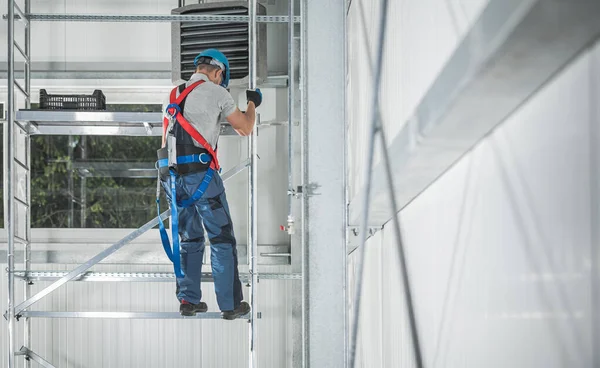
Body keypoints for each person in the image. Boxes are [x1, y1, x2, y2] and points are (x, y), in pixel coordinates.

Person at [157, 48, 262, 320]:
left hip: (170, 179)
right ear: (218, 72)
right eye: (220, 78)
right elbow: (244, 128)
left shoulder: (172, 95)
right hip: (201, 176)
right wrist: (252, 104)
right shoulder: (217, 93)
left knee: (188, 238)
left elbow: (164, 142)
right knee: (221, 239)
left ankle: (188, 301)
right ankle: (230, 305)